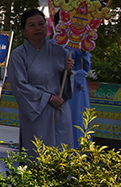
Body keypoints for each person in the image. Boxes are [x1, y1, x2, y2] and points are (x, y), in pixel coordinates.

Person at [5, 8, 73, 152]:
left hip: (60, 108)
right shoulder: (18, 55)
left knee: (62, 148)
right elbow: (19, 85)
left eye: (41, 24)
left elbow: (68, 86)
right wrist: (48, 98)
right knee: (38, 149)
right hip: (36, 110)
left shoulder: (60, 52)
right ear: (24, 30)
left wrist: (69, 72)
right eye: (32, 25)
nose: (38, 28)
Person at [65, 46, 93, 146]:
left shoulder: (81, 44)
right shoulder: (56, 43)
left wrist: (83, 52)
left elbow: (86, 67)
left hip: (80, 90)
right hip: (63, 87)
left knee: (80, 121)